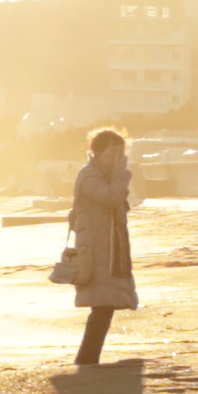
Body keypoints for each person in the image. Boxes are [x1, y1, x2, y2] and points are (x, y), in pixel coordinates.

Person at [59, 127, 139, 369]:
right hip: (95, 251)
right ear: (98, 151)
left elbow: (120, 206)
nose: (117, 157)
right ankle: (86, 358)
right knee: (102, 305)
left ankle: (88, 357)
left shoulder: (106, 176)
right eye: (112, 152)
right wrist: (122, 174)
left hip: (111, 249)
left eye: (120, 152)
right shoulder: (89, 176)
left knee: (105, 304)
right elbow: (110, 198)